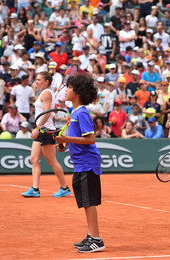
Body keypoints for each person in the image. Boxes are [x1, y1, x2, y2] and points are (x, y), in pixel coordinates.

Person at [54, 74, 105, 253]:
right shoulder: (74, 112)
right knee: (85, 201)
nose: (66, 90)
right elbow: (77, 138)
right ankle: (92, 234)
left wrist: (66, 137)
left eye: (69, 88)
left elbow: (91, 139)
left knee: (89, 202)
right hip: (81, 163)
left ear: (77, 92)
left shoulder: (82, 112)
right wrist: (64, 144)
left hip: (88, 163)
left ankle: (97, 240)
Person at [21, 71, 71, 198]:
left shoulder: (47, 93)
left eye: (39, 79)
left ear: (46, 82)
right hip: (42, 130)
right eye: (36, 79)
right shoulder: (46, 93)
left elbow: (48, 113)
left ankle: (64, 188)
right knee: (34, 159)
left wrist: (38, 127)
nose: (36, 82)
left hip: (45, 130)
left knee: (52, 161)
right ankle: (35, 189)